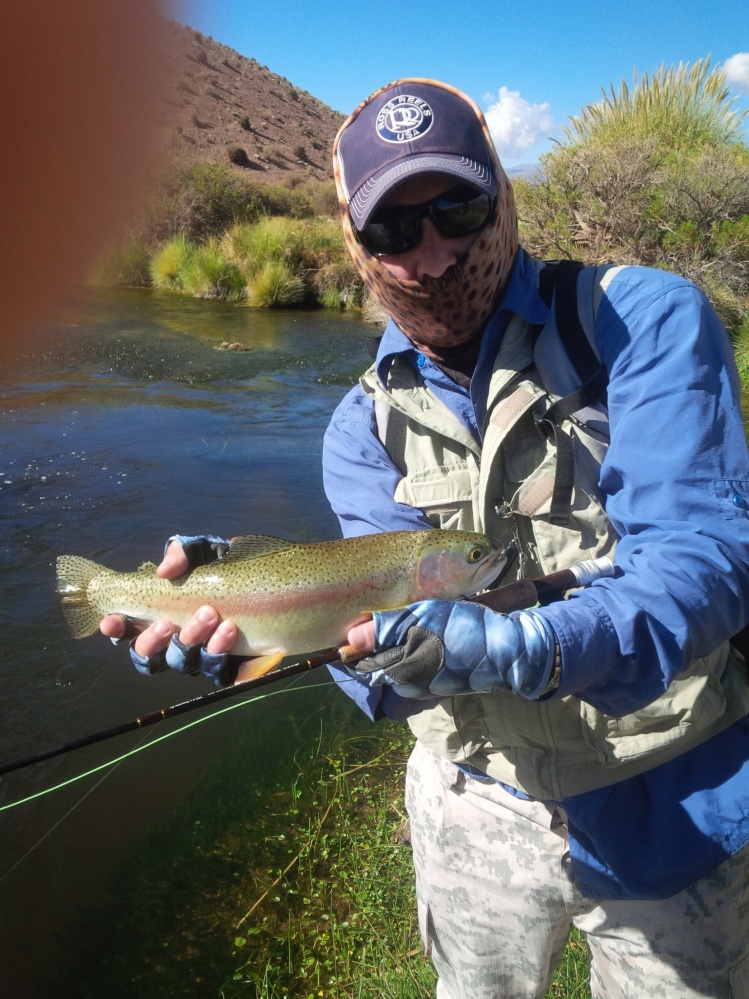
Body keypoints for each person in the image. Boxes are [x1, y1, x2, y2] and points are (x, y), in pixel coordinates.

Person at [102, 79, 749, 998]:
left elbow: (701, 558)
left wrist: (536, 641)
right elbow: (384, 661)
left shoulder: (637, 322)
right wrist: (253, 626)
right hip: (471, 803)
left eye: (457, 208)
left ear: (503, 196)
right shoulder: (356, 430)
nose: (434, 254)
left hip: (669, 791)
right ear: (355, 246)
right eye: (392, 230)